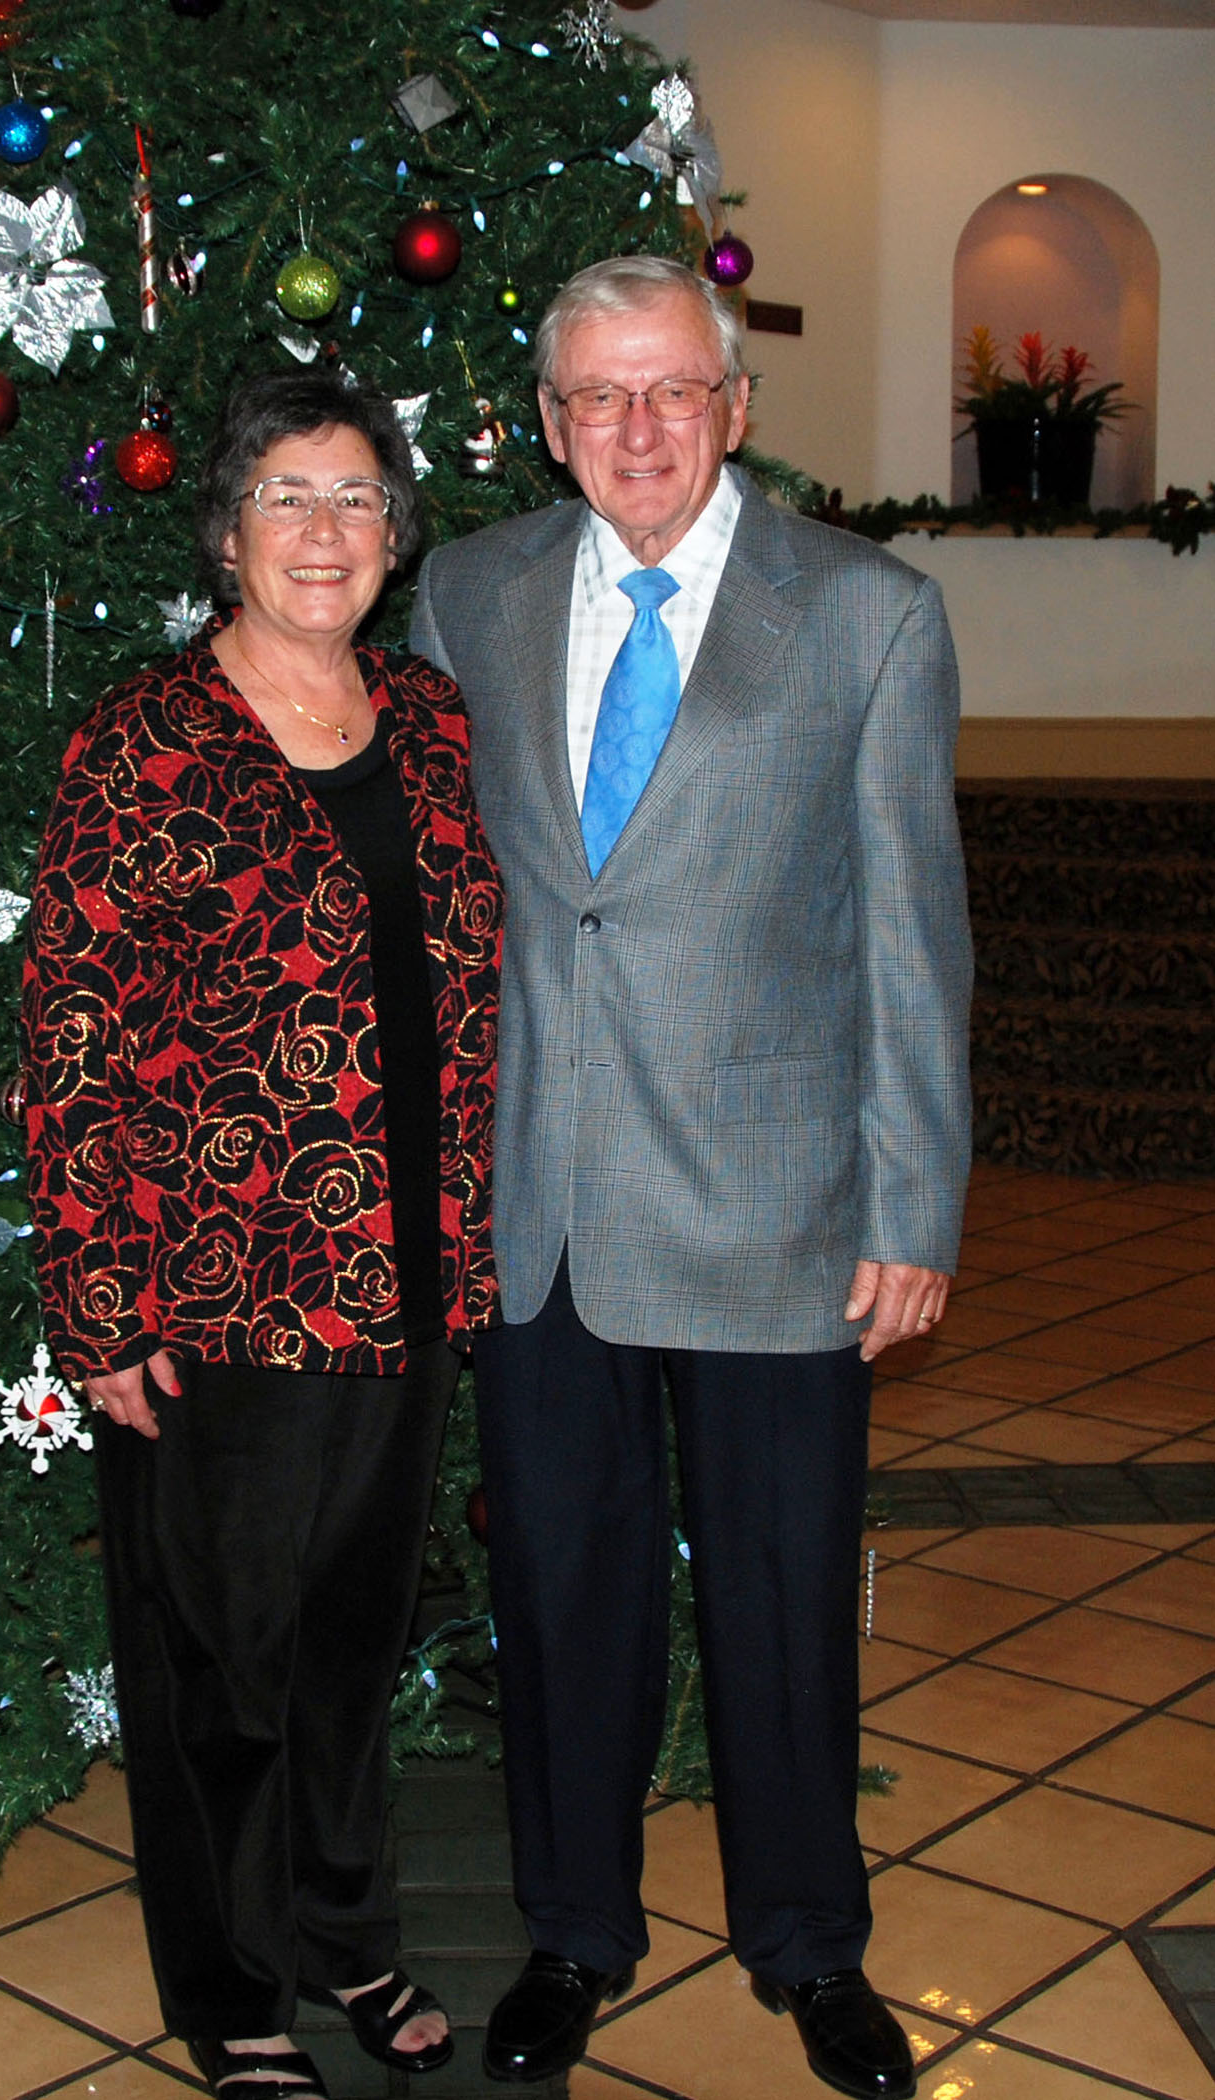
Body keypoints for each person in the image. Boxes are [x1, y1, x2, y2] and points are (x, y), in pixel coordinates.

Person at [410, 256, 973, 2100]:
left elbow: (913, 934)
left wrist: (913, 1208)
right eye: (594, 397)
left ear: (734, 408)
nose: (633, 429)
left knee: (782, 1596)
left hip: (779, 1206)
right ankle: (574, 1935)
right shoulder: (469, 594)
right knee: (562, 1598)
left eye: (669, 391)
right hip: (545, 1202)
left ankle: (811, 1950)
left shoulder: (869, 614)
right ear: (549, 420)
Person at [22, 370, 502, 2100]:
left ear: (396, 533)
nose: (325, 531)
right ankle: (232, 1990)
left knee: (355, 1643)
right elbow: (71, 1025)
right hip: (217, 1290)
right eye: (289, 498)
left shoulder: (434, 722)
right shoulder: (146, 738)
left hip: (413, 1275)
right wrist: (99, 1292)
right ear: (227, 533)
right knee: (225, 1656)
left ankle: (345, 1938)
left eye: (357, 497)